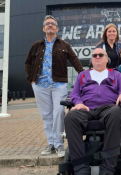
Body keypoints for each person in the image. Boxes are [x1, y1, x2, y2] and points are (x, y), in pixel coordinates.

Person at [65, 48, 121, 175]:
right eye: (94, 55)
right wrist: (78, 102)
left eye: (101, 55)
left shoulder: (116, 75)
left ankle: (106, 174)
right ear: (92, 60)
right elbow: (74, 94)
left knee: (116, 112)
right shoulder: (82, 76)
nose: (97, 57)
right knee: (71, 117)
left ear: (107, 59)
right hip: (87, 109)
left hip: (108, 110)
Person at [25, 15, 83, 157]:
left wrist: (84, 76)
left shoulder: (64, 45)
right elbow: (28, 64)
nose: (50, 25)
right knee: (46, 115)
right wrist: (31, 81)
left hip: (59, 84)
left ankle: (59, 144)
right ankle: (51, 143)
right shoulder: (36, 45)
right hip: (40, 85)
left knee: (58, 112)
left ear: (57, 28)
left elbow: (75, 61)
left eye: (52, 24)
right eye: (47, 24)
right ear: (44, 28)